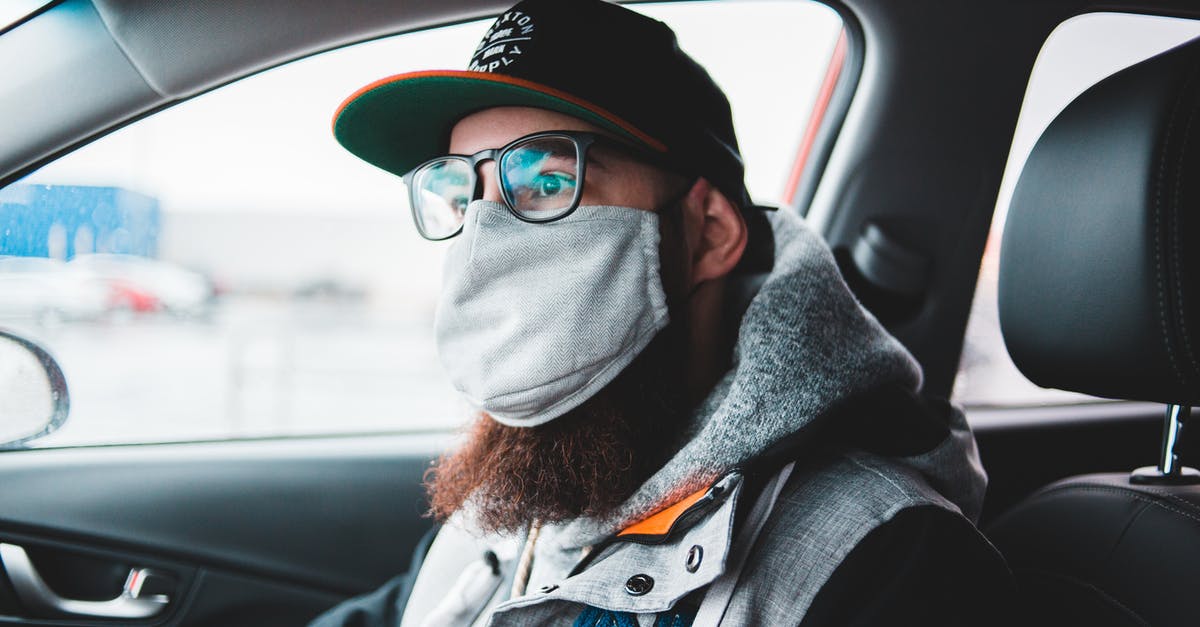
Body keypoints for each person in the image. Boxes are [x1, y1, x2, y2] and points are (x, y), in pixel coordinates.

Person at [315, 0, 1015, 624]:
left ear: (708, 230)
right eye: (462, 192)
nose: (484, 237)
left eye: (548, 177)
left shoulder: (885, 559)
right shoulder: (514, 497)